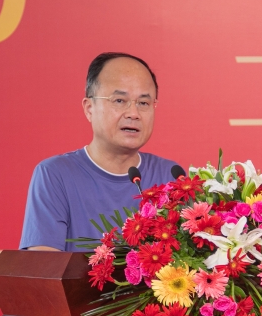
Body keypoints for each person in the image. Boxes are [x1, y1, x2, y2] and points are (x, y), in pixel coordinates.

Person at [19, 53, 179, 251]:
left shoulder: (170, 176)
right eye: (119, 100)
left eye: (143, 103)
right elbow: (44, 264)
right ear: (89, 108)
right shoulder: (55, 175)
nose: (133, 113)